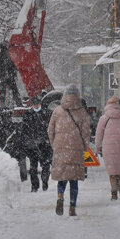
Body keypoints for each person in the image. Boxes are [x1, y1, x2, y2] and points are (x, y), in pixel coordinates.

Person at [48, 83, 90, 217]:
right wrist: (84, 146)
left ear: (64, 96)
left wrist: (54, 144)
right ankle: (72, 206)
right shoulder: (82, 112)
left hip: (60, 148)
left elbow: (50, 130)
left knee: (62, 176)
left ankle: (60, 195)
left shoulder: (57, 111)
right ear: (77, 96)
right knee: (74, 179)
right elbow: (86, 132)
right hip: (76, 147)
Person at [19, 96, 52, 192]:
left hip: (44, 145)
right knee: (33, 167)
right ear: (31, 105)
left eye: (38, 104)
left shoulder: (47, 113)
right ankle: (35, 186)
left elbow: (50, 128)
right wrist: (26, 142)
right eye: (34, 105)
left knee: (46, 165)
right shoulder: (28, 115)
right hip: (32, 146)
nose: (36, 106)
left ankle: (45, 182)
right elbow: (24, 130)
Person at [0, 41, 21, 106]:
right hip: (10, 76)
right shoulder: (10, 55)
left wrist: (1, 72)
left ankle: (2, 104)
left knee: (2, 91)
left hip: (2, 77)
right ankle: (18, 103)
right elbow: (15, 66)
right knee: (15, 91)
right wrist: (12, 72)